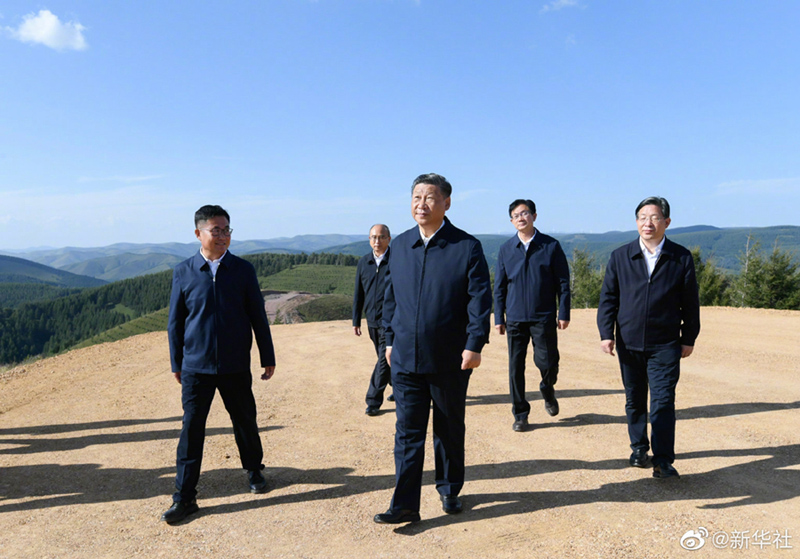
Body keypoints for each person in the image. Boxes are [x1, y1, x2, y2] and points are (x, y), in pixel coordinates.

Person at [374, 173, 492, 524]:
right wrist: (389, 340)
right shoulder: (401, 245)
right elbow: (390, 299)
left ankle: (449, 488)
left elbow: (479, 299)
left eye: (429, 197)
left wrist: (474, 344)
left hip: (449, 357)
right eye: (416, 197)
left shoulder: (466, 246)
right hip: (405, 358)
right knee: (407, 432)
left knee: (448, 428)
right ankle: (404, 504)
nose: (421, 204)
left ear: (446, 203)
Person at [162, 204, 276, 524]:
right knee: (192, 429)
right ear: (198, 233)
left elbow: (257, 316)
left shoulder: (242, 270)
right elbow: (175, 321)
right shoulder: (184, 271)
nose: (223, 236)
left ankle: (254, 470)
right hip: (196, 367)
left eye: (227, 230)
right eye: (216, 230)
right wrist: (176, 362)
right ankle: (184, 497)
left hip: (235, 364)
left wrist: (267, 356)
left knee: (245, 420)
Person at [597, 196, 700, 479]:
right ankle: (639, 448)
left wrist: (689, 337)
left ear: (667, 222)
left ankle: (663, 460)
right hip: (628, 342)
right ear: (636, 222)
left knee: (663, 402)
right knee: (634, 399)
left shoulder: (680, 257)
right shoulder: (621, 256)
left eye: (654, 217)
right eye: (642, 217)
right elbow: (608, 298)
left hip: (665, 344)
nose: (648, 223)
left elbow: (690, 302)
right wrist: (606, 333)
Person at [494, 199, 571, 432]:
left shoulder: (550, 246)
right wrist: (498, 317)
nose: (521, 218)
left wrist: (563, 312)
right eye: (516, 215)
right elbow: (499, 287)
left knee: (548, 361)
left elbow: (563, 283)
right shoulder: (506, 249)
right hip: (515, 317)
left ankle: (547, 387)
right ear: (511, 221)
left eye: (525, 213)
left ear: (534, 216)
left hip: (543, 316)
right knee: (515, 367)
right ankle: (520, 414)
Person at [352, 224, 393, 416]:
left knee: (383, 360)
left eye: (381, 237)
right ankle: (399, 389)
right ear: (369, 239)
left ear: (389, 239)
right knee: (386, 359)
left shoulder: (396, 261)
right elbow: (358, 293)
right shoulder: (364, 262)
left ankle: (373, 401)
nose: (377, 241)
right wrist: (356, 320)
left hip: (391, 321)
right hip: (372, 321)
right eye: (373, 237)